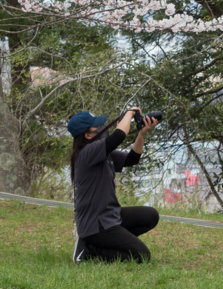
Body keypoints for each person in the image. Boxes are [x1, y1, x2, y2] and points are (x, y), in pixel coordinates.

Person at [67, 107, 160, 263]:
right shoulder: (87, 152)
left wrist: (142, 133)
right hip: (95, 225)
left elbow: (132, 159)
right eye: (98, 127)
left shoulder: (102, 153)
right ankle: (90, 248)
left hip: (109, 216)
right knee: (141, 256)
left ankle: (108, 243)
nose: (103, 129)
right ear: (88, 135)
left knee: (150, 216)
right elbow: (118, 136)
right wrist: (130, 114)